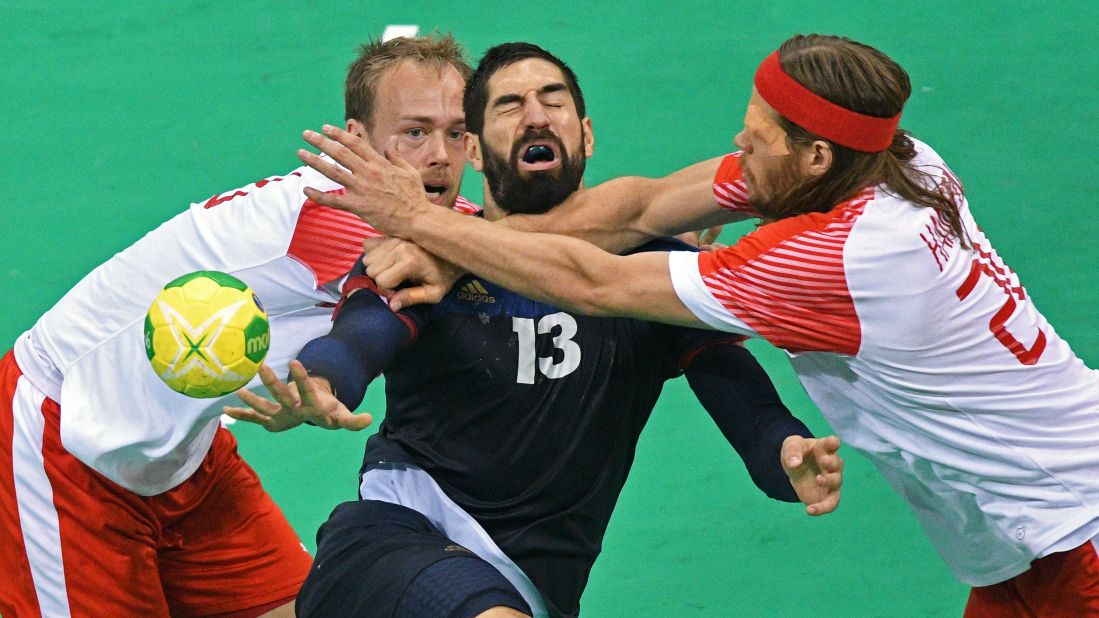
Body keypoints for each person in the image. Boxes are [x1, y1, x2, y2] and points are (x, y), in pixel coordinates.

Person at [297, 34, 1099, 616]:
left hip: (1074, 529)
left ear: (814, 157)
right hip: (1022, 545)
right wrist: (457, 256)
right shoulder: (897, 158)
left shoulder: (837, 256)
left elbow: (600, 280)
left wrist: (423, 224)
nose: (736, 147)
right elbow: (638, 208)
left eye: (758, 138)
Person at [232, 42, 843, 618]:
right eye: (509, 105)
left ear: (587, 135)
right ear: (473, 149)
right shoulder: (422, 259)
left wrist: (784, 450)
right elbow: (363, 336)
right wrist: (322, 379)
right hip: (399, 529)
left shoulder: (649, 275)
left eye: (553, 101)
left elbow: (736, 390)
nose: (535, 116)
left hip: (531, 582)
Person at [0, 33, 477, 617]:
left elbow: (505, 242)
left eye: (456, 132)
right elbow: (492, 259)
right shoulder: (331, 213)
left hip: (181, 455)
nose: (439, 156)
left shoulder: (445, 224)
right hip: (64, 438)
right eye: (414, 132)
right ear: (357, 143)